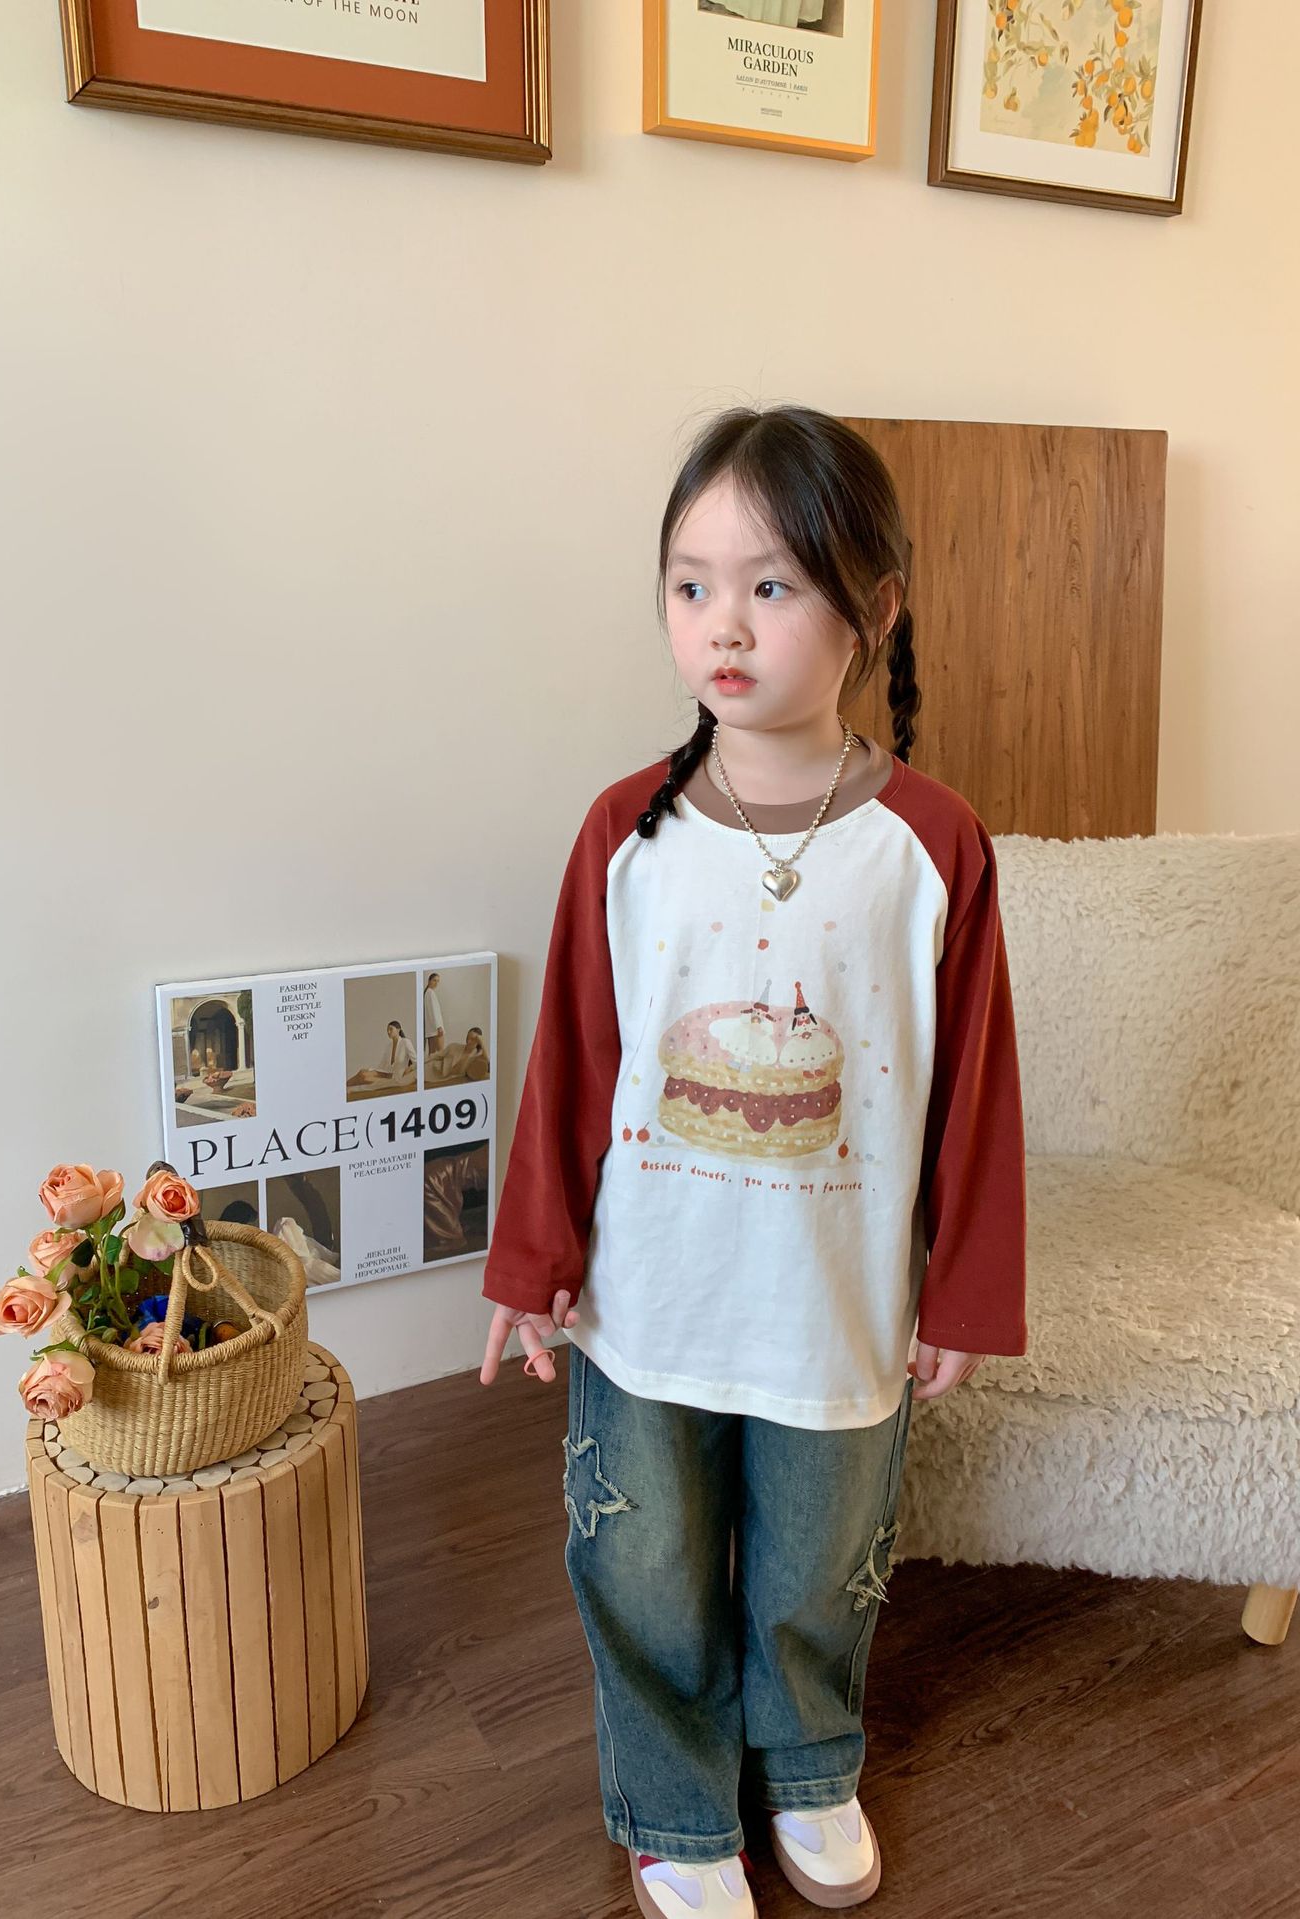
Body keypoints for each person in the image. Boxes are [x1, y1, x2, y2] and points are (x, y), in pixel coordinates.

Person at [476, 404, 1027, 1919]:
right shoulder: (625, 832)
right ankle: (672, 1799)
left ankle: (807, 1760)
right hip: (646, 1302)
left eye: (772, 585)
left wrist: (964, 1292)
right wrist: (532, 1266)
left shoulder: (934, 845)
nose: (724, 623)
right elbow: (572, 1059)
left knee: (819, 1561)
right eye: (692, 583)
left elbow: (977, 1089)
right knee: (644, 1561)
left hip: (835, 1302)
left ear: (874, 609)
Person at [350, 1019, 417, 1086]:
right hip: (387, 1073)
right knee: (362, 1072)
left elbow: (416, 1062)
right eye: (387, 1030)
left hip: (396, 1077)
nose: (388, 1032)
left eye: (391, 1029)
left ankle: (344, 1087)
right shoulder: (389, 1046)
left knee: (365, 1078)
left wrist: (410, 1068)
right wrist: (371, 1070)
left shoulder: (406, 1042)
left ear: (398, 1030)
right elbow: (382, 1064)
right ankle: (345, 1086)